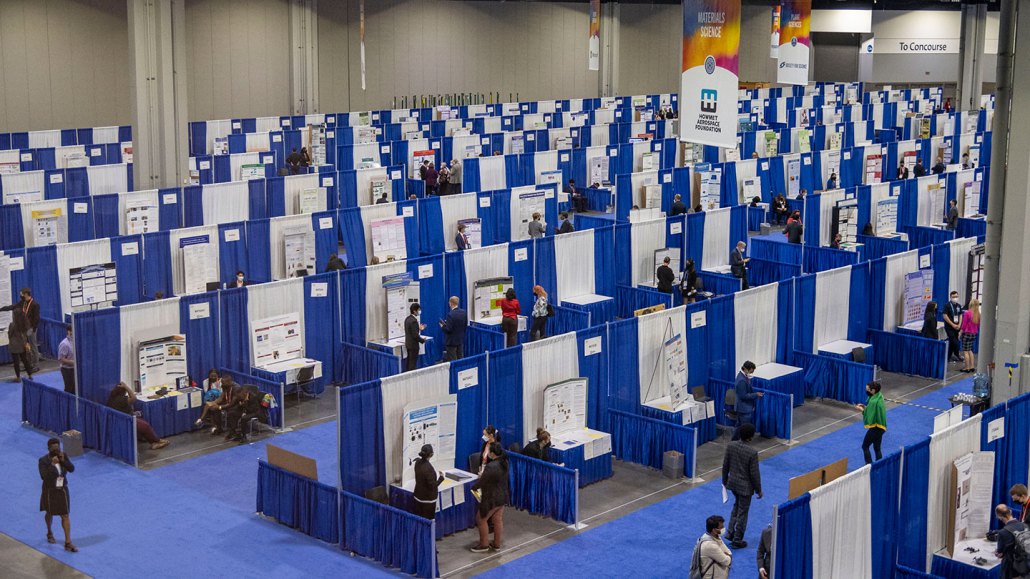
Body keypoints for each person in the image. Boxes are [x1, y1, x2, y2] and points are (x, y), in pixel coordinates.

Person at [723, 423, 762, 549]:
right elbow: (754, 474)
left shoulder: (731, 446)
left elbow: (725, 465)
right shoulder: (752, 452)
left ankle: (729, 532)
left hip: (732, 484)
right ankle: (737, 539)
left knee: (736, 507)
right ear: (750, 437)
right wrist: (759, 490)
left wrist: (724, 481)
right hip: (745, 488)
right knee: (743, 512)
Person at [470, 442, 509, 553]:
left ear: (492, 453)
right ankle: (496, 544)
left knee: (481, 519)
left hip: (491, 498)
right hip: (502, 496)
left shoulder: (491, 466)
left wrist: (474, 487)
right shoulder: (504, 462)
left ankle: (484, 544)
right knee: (497, 520)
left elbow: (483, 481)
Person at [107, 382, 170, 450]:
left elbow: (122, 409)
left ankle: (154, 441)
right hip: (125, 421)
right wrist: (126, 386)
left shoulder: (113, 398)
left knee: (142, 421)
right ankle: (156, 441)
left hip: (123, 418)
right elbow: (134, 398)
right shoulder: (120, 399)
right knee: (146, 426)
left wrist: (132, 412)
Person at [39, 438, 77, 552]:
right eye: (54, 448)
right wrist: (52, 465)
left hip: (62, 490)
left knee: (65, 515)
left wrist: (63, 460)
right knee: (49, 513)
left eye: (58, 447)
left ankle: (68, 542)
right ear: (49, 448)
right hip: (50, 490)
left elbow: (72, 469)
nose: (56, 450)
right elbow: (43, 476)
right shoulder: (43, 460)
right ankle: (50, 532)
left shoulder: (63, 455)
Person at [2, 287, 41, 373]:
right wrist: (1, 309)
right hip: (23, 329)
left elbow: (36, 318)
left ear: (26, 294)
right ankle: (28, 364)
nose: (21, 296)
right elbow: (12, 307)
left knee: (33, 346)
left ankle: (36, 365)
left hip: (31, 328)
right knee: (26, 347)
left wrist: (33, 329)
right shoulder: (23, 303)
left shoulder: (35, 305)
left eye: (22, 294)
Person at [690, 515, 732, 579]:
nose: (723, 529)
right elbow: (727, 561)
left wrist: (727, 554)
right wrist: (727, 555)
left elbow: (728, 552)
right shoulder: (710, 546)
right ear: (714, 530)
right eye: (721, 527)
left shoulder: (707, 536)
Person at [994, 504, 1029, 578]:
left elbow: (1000, 553)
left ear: (999, 516)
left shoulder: (1003, 532)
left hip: (1011, 568)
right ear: (1010, 512)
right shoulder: (1025, 526)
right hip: (1026, 566)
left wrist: (997, 553)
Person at [856, 381, 886, 464]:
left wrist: (862, 410)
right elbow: (872, 410)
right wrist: (866, 407)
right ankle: (880, 465)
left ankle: (868, 466)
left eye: (868, 390)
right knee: (877, 448)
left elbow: (869, 415)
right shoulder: (879, 396)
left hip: (875, 428)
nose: (866, 391)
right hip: (881, 427)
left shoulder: (873, 402)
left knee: (865, 446)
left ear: (873, 391)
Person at [412, 444, 444, 519]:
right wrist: (441, 478)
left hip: (417, 496)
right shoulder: (428, 469)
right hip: (427, 500)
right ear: (431, 454)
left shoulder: (417, 462)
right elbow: (432, 485)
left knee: (419, 521)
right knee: (428, 523)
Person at [5, 300, 34, 381]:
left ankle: (18, 377)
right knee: (25, 360)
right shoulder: (23, 324)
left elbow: (9, 334)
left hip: (14, 345)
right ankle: (30, 375)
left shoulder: (12, 324)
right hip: (22, 344)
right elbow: (27, 333)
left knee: (16, 362)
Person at [733, 361, 762, 441]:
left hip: (742, 407)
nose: (751, 373)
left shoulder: (743, 376)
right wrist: (756, 394)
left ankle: (734, 441)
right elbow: (743, 396)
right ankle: (742, 442)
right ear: (746, 369)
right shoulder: (742, 380)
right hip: (743, 408)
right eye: (751, 371)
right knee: (744, 427)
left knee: (739, 426)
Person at [439, 296, 468, 361]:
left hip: (451, 342)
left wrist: (442, 326)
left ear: (451, 303)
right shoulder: (464, 312)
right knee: (460, 359)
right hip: (460, 340)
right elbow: (465, 325)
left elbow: (448, 330)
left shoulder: (450, 314)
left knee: (453, 361)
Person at [960, 298, 981, 373]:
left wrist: (960, 332)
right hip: (974, 334)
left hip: (967, 333)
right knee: (970, 350)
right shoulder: (978, 314)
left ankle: (967, 367)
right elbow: (978, 325)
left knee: (966, 351)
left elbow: (964, 325)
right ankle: (972, 366)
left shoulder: (967, 313)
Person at [405, 303, 427, 372]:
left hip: (408, 344)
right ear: (414, 311)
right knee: (412, 364)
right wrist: (422, 340)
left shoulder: (407, 319)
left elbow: (411, 330)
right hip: (413, 345)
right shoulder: (414, 321)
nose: (420, 311)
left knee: (409, 362)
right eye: (419, 310)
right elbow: (415, 336)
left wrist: (419, 328)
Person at [943, 291, 964, 363]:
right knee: (954, 342)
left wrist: (959, 324)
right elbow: (945, 316)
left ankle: (948, 357)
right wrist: (953, 324)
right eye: (954, 297)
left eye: (956, 296)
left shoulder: (958, 305)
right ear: (951, 297)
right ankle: (957, 354)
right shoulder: (947, 305)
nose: (955, 298)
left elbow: (960, 315)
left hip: (957, 327)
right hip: (950, 327)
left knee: (952, 343)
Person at [58, 324, 75, 394]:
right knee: (68, 388)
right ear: (68, 332)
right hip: (66, 369)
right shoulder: (64, 344)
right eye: (72, 331)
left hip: (75, 368)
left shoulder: (76, 341)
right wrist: (73, 362)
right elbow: (61, 359)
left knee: (75, 388)